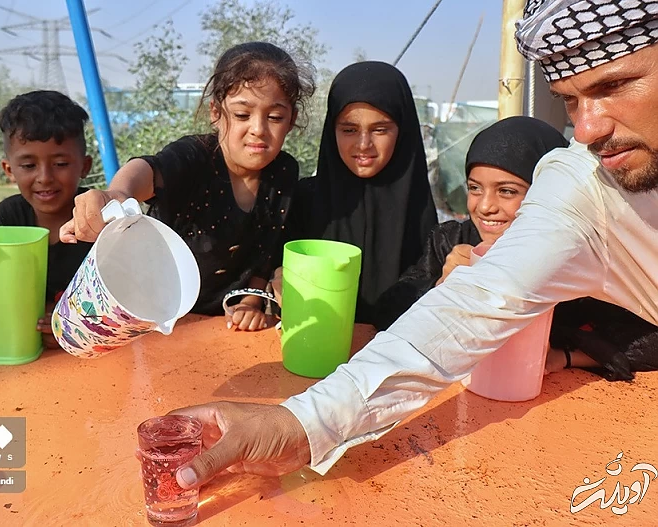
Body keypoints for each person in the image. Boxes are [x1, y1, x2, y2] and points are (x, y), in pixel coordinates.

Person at [164, 0, 658, 491]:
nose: (588, 129)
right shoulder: (583, 189)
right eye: (569, 101)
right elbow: (466, 312)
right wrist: (298, 425)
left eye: (614, 86)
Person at [371, 115, 658, 381]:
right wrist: (441, 287)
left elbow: (648, 340)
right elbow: (387, 311)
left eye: (507, 191)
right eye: (474, 188)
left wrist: (566, 356)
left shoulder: (578, 257)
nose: (484, 206)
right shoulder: (453, 241)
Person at [61, 42, 314, 331]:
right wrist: (117, 194)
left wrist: (249, 303)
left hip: (223, 325)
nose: (258, 128)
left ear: (291, 120)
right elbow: (147, 170)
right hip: (152, 316)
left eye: (275, 117)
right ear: (216, 112)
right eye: (243, 115)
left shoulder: (283, 172)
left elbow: (267, 246)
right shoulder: (195, 156)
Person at [281, 61, 437, 324]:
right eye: (349, 130)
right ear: (332, 131)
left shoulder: (425, 219)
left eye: (380, 129)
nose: (364, 145)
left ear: (403, 130)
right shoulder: (302, 203)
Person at [0, 90, 94, 350]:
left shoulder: (97, 219)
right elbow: (6, 292)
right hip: (29, 351)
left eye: (60, 163)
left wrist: (73, 325)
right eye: (28, 166)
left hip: (94, 352)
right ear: (9, 170)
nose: (45, 177)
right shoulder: (10, 216)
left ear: (84, 166)